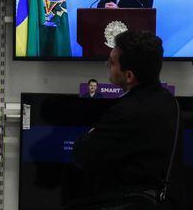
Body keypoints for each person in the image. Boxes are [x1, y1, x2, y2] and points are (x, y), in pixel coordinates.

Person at [72, 31, 184, 208]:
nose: (108, 64)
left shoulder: (125, 112)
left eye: (112, 62)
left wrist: (90, 134)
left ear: (129, 75)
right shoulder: (171, 103)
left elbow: (83, 155)